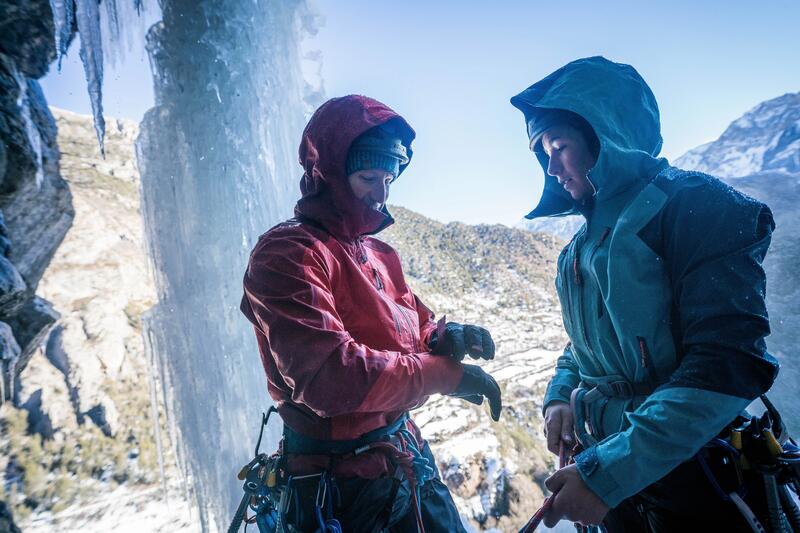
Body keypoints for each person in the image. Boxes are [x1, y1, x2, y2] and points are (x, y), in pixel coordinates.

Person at [509, 57, 779, 531]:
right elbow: (588, 343)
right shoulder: (581, 245)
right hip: (612, 473)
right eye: (541, 152)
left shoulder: (696, 206)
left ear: (604, 134)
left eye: (558, 146)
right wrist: (560, 397)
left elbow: (726, 361)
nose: (549, 167)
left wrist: (608, 474)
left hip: (689, 474)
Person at [240, 94, 502, 532]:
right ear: (329, 174)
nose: (382, 194)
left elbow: (411, 325)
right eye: (368, 177)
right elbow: (332, 379)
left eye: (390, 177)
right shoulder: (288, 254)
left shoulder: (376, 252)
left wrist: (441, 337)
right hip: (343, 492)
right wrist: (444, 375)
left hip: (402, 460)